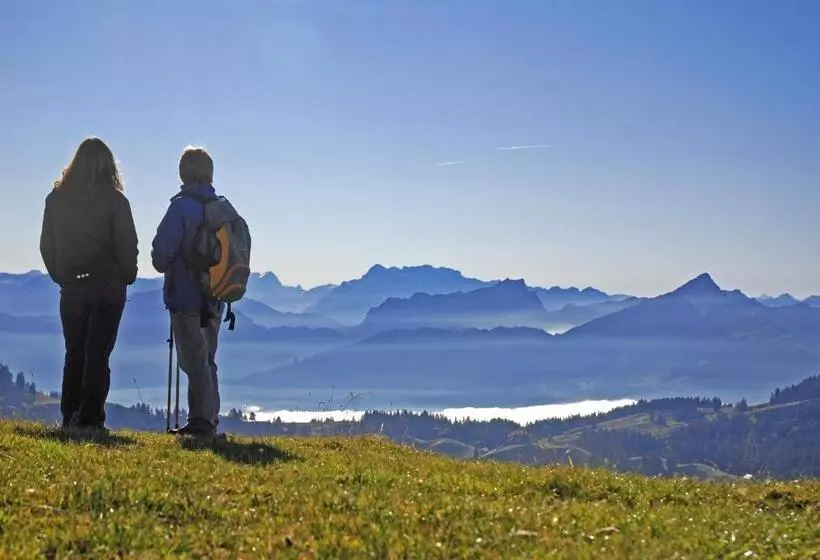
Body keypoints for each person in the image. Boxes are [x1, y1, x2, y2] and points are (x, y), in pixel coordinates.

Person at [39, 137, 139, 430]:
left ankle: (70, 415)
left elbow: (47, 245)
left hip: (73, 287)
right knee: (98, 353)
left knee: (75, 351)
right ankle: (91, 418)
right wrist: (127, 275)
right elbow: (127, 244)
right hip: (108, 286)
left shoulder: (56, 199)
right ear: (109, 166)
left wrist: (62, 275)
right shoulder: (116, 201)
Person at [151, 146, 224, 437]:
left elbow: (160, 255)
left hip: (185, 296)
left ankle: (202, 423)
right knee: (206, 360)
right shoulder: (222, 208)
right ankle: (206, 419)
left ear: (183, 172)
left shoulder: (180, 207)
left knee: (194, 362)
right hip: (216, 297)